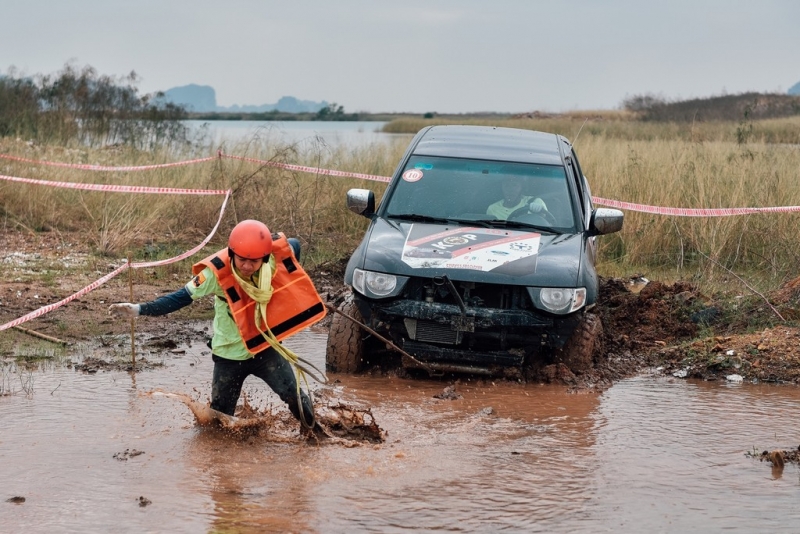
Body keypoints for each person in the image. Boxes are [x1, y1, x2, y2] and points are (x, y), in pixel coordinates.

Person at [108, 220, 328, 437]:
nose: (247, 266)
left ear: (264, 257)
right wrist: (139, 309)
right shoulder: (215, 274)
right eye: (242, 260)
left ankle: (315, 438)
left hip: (264, 348)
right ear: (232, 254)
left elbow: (294, 245)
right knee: (218, 423)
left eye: (254, 261)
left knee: (296, 398)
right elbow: (180, 298)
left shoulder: (271, 260)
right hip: (228, 356)